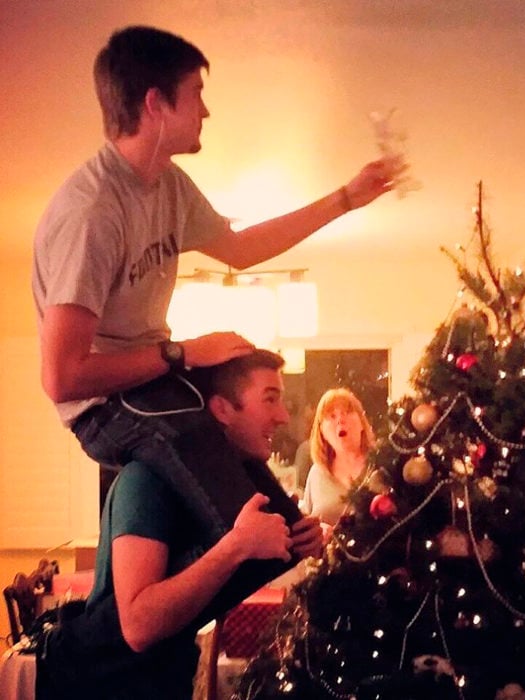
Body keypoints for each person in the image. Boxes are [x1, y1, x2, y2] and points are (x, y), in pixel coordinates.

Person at [31, 25, 398, 546]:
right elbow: (62, 379)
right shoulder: (92, 213)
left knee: (273, 491)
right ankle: (96, 629)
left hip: (152, 381)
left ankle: (288, 537)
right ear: (157, 104)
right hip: (102, 407)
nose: (205, 111)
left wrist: (346, 198)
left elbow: (241, 247)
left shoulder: (170, 187)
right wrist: (182, 353)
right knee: (259, 545)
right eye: (197, 94)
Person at [36, 349, 323, 699]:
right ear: (221, 410)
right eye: (270, 399)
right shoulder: (147, 480)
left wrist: (298, 541)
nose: (282, 416)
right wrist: (236, 546)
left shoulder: (218, 492)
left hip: (163, 679)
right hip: (101, 685)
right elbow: (138, 626)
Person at [303, 388, 375, 541]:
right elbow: (306, 526)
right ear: (321, 431)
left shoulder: (380, 465)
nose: (340, 420)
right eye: (332, 416)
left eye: (347, 412)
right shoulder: (317, 473)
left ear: (362, 424)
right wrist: (318, 531)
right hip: (328, 562)